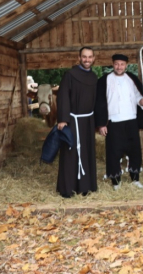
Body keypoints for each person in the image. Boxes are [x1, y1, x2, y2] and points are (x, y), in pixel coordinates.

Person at [96, 54, 143, 190]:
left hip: (131, 120)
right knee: (114, 152)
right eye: (116, 64)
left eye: (122, 64)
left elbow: (138, 96)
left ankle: (135, 179)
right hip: (114, 122)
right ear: (112, 64)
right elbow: (100, 103)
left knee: (134, 151)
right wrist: (102, 124)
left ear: (126, 65)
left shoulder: (131, 79)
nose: (119, 67)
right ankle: (116, 181)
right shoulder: (105, 80)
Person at [56, 47, 98, 198]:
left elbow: (97, 102)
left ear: (94, 58)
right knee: (70, 153)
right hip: (73, 121)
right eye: (84, 57)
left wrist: (99, 122)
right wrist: (63, 119)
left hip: (88, 121)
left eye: (90, 57)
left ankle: (85, 186)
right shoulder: (70, 75)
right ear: (79, 57)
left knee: (86, 152)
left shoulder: (94, 77)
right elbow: (63, 97)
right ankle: (68, 188)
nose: (87, 60)